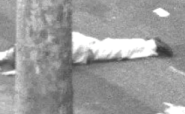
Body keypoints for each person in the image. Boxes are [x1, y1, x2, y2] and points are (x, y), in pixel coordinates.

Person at [0, 32, 173, 68]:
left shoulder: (26, 56)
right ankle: (146, 43)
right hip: (72, 41)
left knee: (111, 50)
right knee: (107, 45)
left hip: (77, 49)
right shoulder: (23, 48)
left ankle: (151, 45)